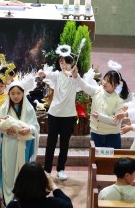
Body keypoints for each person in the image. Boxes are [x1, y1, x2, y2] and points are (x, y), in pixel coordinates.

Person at [37, 46, 83, 181]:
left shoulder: (75, 78)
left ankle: (61, 169)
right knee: (50, 143)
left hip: (68, 116)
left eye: (66, 62)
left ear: (71, 63)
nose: (63, 65)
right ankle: (46, 169)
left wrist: (75, 76)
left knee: (64, 144)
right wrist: (42, 73)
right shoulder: (57, 75)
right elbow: (47, 74)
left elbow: (81, 85)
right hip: (54, 114)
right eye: (61, 62)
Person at [0, 81, 39, 204]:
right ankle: (8, 197)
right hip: (9, 143)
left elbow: (35, 127)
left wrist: (28, 129)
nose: (16, 96)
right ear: (9, 94)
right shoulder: (4, 108)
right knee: (8, 170)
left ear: (23, 93)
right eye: (13, 93)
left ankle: (21, 198)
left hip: (23, 145)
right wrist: (6, 130)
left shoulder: (29, 108)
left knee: (22, 171)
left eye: (18, 93)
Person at [76, 67, 126, 150]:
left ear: (116, 85)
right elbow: (85, 86)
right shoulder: (97, 90)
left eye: (109, 82)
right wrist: (76, 76)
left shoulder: (119, 100)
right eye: (104, 79)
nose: (105, 83)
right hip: (96, 134)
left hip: (112, 136)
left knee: (111, 162)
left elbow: (117, 121)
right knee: (96, 160)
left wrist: (100, 117)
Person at [6, 161, 72, 208]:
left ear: (20, 182)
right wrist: (53, 186)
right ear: (44, 182)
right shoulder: (53, 204)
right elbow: (68, 205)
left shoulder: (13, 205)